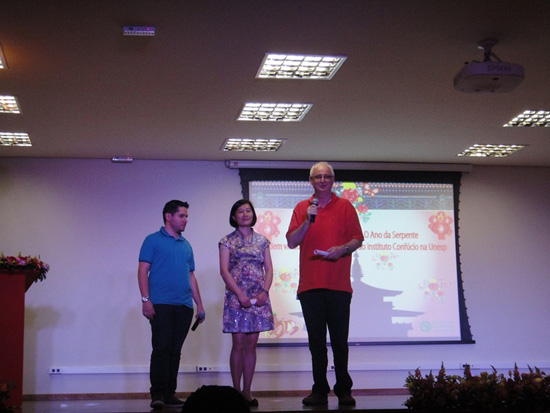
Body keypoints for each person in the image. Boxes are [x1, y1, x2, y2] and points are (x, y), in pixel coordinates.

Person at [286, 162, 364, 407]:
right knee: (316, 343)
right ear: (310, 181)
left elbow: (357, 239)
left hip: (339, 286)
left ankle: (343, 389)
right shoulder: (302, 208)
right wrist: (307, 221)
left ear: (333, 180)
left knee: (340, 341)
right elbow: (291, 242)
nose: (322, 180)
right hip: (310, 286)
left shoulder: (345, 206)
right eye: (317, 177)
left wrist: (343, 248)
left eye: (326, 176)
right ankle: (319, 389)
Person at [138, 200, 205, 410]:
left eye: (186, 216)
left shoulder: (186, 245)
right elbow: (142, 271)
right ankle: (157, 394)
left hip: (184, 306)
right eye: (182, 216)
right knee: (162, 348)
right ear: (169, 216)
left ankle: (169, 394)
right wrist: (146, 300)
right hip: (161, 305)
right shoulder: (152, 240)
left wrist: (199, 305)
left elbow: (191, 276)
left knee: (175, 351)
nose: (186, 220)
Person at [219, 199, 274, 407]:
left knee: (251, 346)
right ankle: (235, 391)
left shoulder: (262, 241)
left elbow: (269, 269)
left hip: (258, 298)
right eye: (240, 211)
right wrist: (239, 294)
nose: (245, 214)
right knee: (238, 344)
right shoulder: (227, 241)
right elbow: (224, 271)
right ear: (234, 216)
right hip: (237, 297)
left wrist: (265, 292)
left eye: (248, 210)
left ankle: (247, 392)